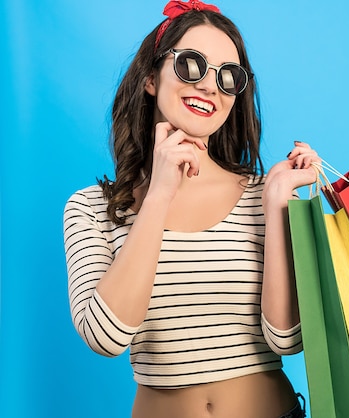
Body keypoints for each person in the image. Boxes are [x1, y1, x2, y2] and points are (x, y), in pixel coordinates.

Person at [63, 1, 318, 417]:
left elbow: (287, 340)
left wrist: (276, 206)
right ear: (150, 77)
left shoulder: (262, 196)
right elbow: (105, 336)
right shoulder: (91, 209)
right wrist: (160, 194)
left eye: (228, 77)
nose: (209, 86)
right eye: (191, 65)